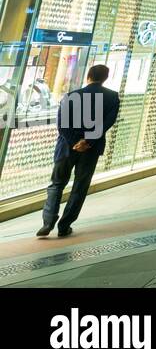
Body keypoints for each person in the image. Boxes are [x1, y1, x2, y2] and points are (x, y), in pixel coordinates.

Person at [38, 64, 119, 239]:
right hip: (91, 148)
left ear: (88, 76)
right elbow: (107, 123)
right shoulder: (112, 97)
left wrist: (75, 142)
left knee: (57, 183)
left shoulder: (71, 96)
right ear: (105, 78)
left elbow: (62, 124)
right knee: (80, 186)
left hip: (66, 147)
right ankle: (64, 226)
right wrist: (87, 140)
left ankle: (47, 222)